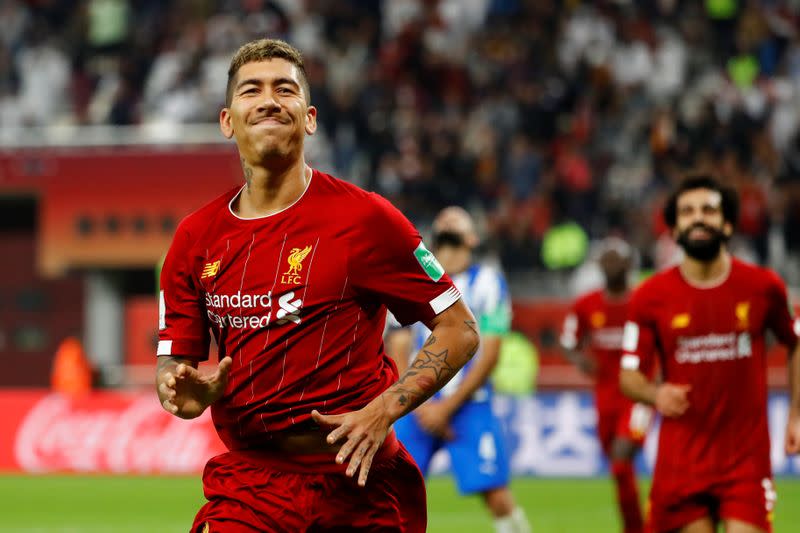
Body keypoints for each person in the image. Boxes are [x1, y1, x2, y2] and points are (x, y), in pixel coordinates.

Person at [155, 39, 479, 533]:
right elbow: (172, 365)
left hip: (358, 480)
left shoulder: (367, 219)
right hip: (252, 486)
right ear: (227, 121)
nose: (268, 99)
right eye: (251, 90)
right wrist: (182, 391)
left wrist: (383, 411)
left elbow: (459, 329)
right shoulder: (194, 238)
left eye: (284, 89)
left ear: (308, 118)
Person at [619, 175, 800, 533]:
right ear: (673, 229)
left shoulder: (763, 287)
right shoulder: (649, 296)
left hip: (745, 464)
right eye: (687, 212)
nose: (698, 218)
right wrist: (657, 394)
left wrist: (795, 415)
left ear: (728, 223)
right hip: (681, 463)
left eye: (708, 210)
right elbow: (628, 378)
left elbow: (795, 342)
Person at [386, 207, 531, 533]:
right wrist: (419, 403)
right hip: (415, 406)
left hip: (469, 404)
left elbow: (489, 354)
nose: (448, 218)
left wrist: (448, 407)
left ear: (472, 237)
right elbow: (398, 346)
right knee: (391, 492)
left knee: (495, 492)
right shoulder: (410, 275)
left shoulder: (489, 282)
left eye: (459, 218)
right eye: (443, 218)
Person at [560, 237, 650, 533]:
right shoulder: (587, 305)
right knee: (617, 466)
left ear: (628, 264)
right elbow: (568, 341)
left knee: (622, 458)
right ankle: (641, 519)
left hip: (638, 395)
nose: (611, 265)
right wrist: (580, 359)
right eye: (606, 259)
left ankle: (636, 528)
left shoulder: (643, 302)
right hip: (605, 396)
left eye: (616, 259)